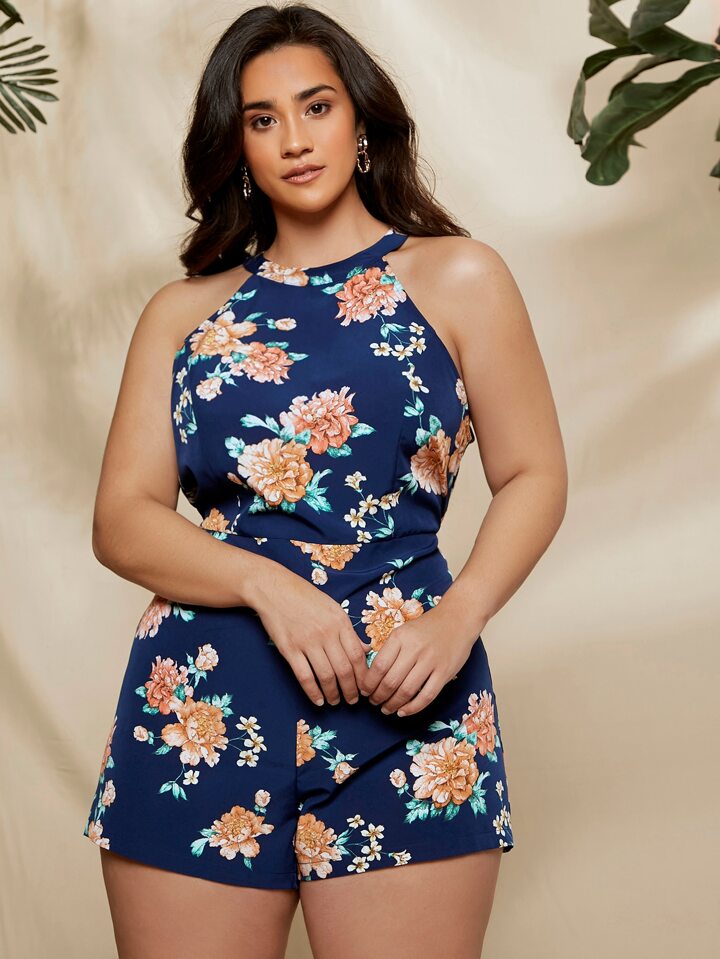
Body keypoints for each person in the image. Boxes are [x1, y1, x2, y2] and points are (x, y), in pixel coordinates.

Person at [81, 3, 568, 957]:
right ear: (236, 146)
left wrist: (459, 616)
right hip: (202, 702)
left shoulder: (459, 277)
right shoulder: (183, 314)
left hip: (408, 694)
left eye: (317, 107)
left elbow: (534, 472)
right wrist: (271, 587)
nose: (295, 140)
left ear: (362, 121)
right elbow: (122, 520)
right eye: (262, 119)